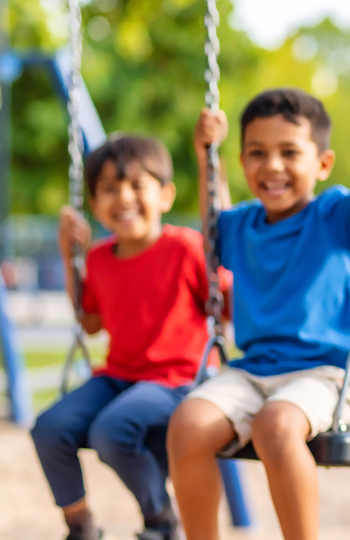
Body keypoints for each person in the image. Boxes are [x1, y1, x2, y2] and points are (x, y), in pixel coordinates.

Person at [167, 58, 350, 540]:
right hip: (253, 372)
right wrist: (205, 154)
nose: (271, 166)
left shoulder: (333, 213)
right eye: (256, 153)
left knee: (276, 426)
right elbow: (214, 223)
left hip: (329, 377)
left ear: (322, 162)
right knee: (187, 423)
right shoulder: (243, 224)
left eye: (289, 152)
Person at [31, 134, 229, 540]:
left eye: (137, 185)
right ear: (95, 203)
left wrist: (214, 170)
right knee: (49, 428)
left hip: (179, 377)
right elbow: (90, 323)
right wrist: (70, 257)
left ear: (166, 195)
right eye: (108, 188)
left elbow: (224, 304)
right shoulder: (100, 258)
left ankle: (160, 519)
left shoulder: (185, 248)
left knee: (113, 429)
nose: (123, 197)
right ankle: (80, 525)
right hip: (121, 375)